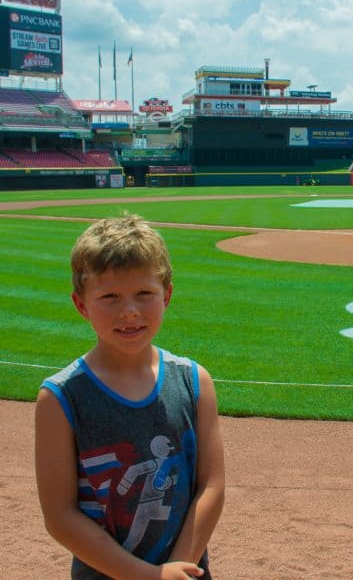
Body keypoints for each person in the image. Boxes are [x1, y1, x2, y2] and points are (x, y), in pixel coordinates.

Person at [35, 214, 225, 579]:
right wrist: (147, 576)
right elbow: (60, 515)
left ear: (166, 295)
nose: (130, 311)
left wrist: (177, 569)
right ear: (81, 305)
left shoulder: (194, 382)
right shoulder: (60, 399)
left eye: (144, 294)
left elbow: (211, 485)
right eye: (109, 297)